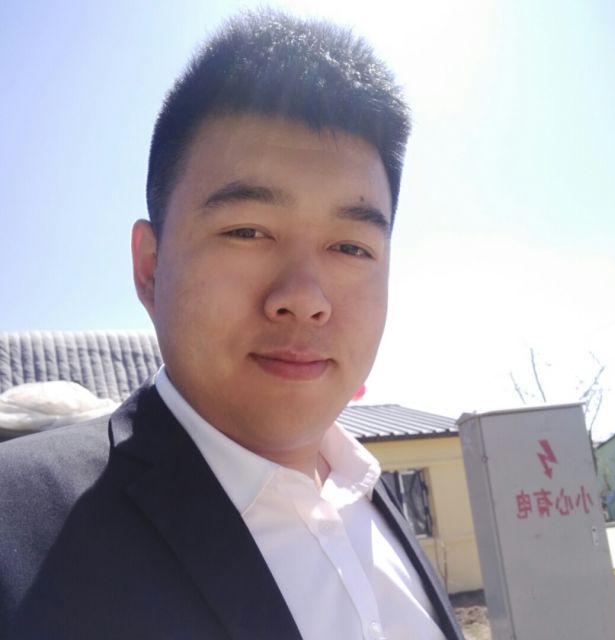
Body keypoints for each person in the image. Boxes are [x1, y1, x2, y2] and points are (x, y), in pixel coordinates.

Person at [0, 10, 463, 640]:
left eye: (351, 247)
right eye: (247, 231)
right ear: (150, 267)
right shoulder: (20, 534)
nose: (304, 299)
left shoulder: (371, 497)